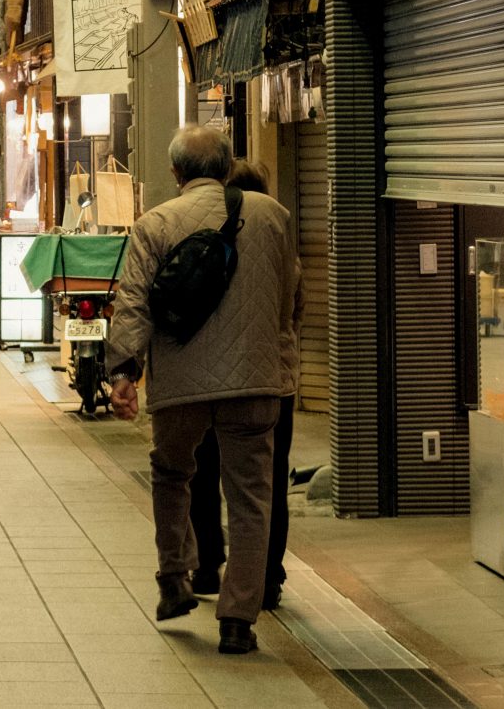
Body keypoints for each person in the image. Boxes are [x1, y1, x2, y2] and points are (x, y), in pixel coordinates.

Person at [104, 123, 300, 655]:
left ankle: (174, 578)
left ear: (175, 173)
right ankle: (239, 619)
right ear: (226, 164)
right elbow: (288, 302)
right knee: (252, 496)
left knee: (172, 473)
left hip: (182, 382)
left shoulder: (156, 223)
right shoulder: (273, 217)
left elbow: (133, 305)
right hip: (256, 383)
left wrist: (123, 374)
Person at [189, 157, 296, 609]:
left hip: (212, 376)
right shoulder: (279, 236)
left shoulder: (203, 238)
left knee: (204, 471)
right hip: (273, 379)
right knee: (265, 483)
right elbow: (294, 305)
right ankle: (265, 579)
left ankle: (207, 563)